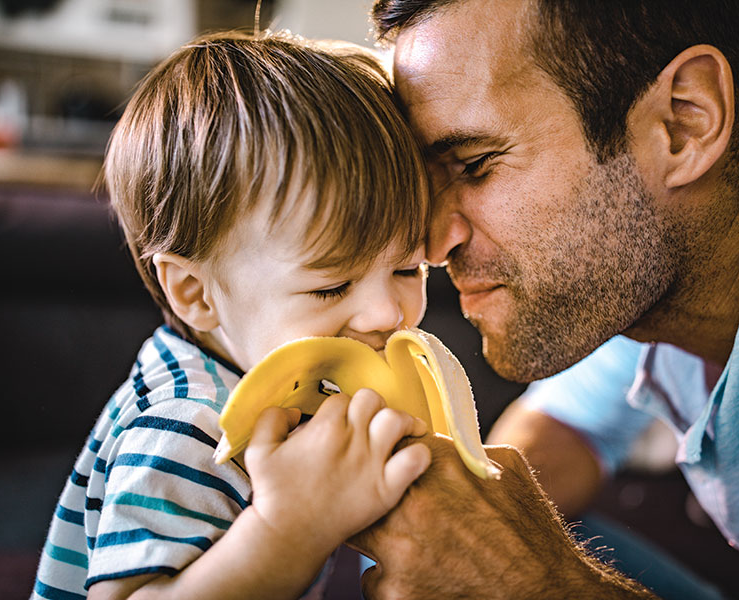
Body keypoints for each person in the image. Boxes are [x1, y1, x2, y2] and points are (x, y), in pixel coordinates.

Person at [349, 0, 739, 598]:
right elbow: (563, 429)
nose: (434, 245)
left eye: (474, 165)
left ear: (683, 123)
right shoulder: (661, 268)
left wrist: (539, 586)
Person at [31, 30, 436, 600]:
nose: (387, 312)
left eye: (409, 268)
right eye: (332, 286)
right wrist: (290, 529)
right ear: (197, 294)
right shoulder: (188, 427)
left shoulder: (277, 383)